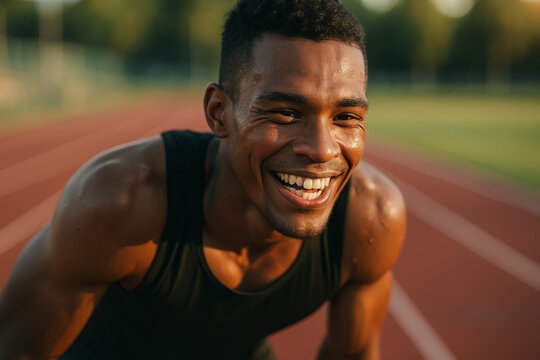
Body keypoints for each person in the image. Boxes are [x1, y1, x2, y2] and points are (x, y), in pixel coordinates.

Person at [0, 0, 406, 359]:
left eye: (346, 117)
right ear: (218, 112)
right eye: (284, 113)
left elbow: (350, 352)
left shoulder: (370, 218)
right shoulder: (118, 202)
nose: (322, 150)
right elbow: (18, 349)